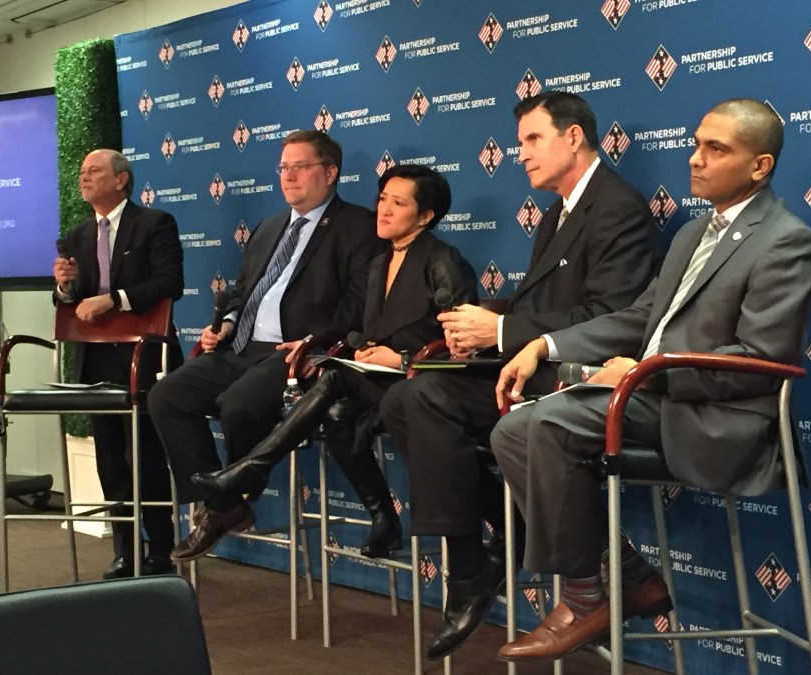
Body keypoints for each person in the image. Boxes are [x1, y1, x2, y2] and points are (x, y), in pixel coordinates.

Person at [490, 98, 811, 662]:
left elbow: (756, 359)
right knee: (511, 430)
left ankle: (584, 596)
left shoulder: (787, 242)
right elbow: (638, 319)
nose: (695, 159)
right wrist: (542, 345)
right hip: (656, 395)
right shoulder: (695, 233)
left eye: (716, 149)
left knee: (545, 421)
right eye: (696, 143)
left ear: (760, 166)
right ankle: (622, 576)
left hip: (715, 416)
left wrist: (646, 375)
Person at [378, 91, 660, 659]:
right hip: (532, 373)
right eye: (520, 142)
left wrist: (501, 332)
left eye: (533, 140)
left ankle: (474, 568)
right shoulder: (559, 210)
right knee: (400, 401)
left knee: (427, 396)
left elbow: (613, 320)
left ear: (573, 137)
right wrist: (484, 319)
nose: (521, 154)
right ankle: (499, 546)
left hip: (575, 380)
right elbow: (548, 302)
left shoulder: (616, 209)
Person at [186, 165, 478, 558]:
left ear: (425, 216)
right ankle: (382, 517)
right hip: (375, 378)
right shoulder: (381, 262)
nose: (384, 210)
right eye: (382, 200)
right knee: (338, 412)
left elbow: (462, 344)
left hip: (419, 381)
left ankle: (249, 469)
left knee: (333, 388)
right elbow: (364, 328)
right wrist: (351, 350)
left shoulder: (444, 261)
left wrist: (401, 357)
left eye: (398, 203)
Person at [148, 130, 379, 562]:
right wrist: (229, 322)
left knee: (238, 405)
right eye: (283, 168)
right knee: (167, 395)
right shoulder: (269, 227)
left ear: (330, 173)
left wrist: (314, 341)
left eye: (301, 166)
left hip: (297, 355)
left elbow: (359, 305)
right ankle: (224, 505)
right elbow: (243, 291)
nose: (288, 177)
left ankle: (226, 498)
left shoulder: (358, 227)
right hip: (242, 347)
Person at [52, 148, 184, 579]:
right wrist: (66, 288)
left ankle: (162, 549)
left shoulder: (155, 224)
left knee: (146, 452)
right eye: (82, 171)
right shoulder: (76, 236)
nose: (84, 177)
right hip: (96, 361)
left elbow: (170, 283)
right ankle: (125, 549)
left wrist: (116, 300)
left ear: (120, 180)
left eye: (94, 171)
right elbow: (68, 303)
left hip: (144, 356)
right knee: (109, 457)